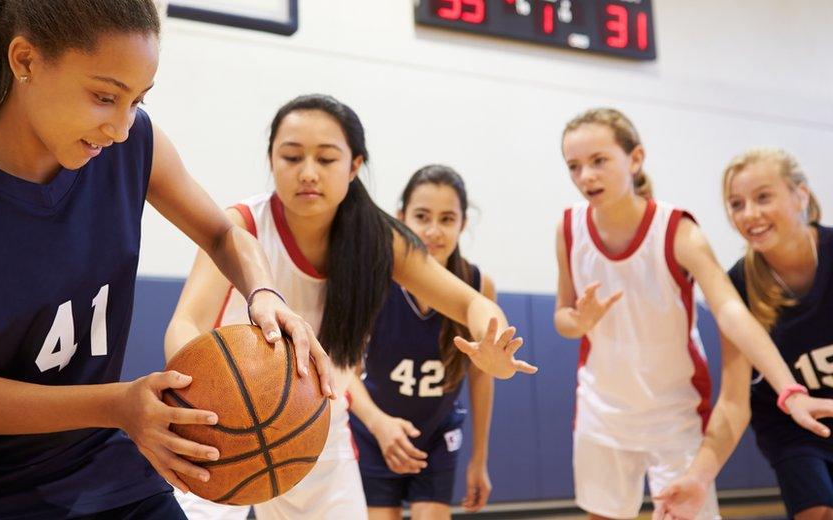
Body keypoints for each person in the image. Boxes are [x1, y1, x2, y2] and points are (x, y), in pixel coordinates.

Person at [0, 0, 331, 518]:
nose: (123, 124)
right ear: (25, 59)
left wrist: (263, 291)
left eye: (139, 99)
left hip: (98, 462)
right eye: (106, 96)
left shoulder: (131, 147)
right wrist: (117, 405)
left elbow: (224, 232)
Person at [164, 94, 535, 519]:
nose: (307, 173)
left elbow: (470, 300)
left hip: (317, 429)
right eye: (291, 156)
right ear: (271, 159)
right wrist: (206, 397)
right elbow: (185, 322)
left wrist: (494, 346)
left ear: (354, 165)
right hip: (224, 425)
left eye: (325, 159)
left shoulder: (377, 239)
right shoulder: (241, 224)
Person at [554, 109, 824, 520]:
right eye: (574, 166)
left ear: (636, 158)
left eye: (599, 160)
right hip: (602, 410)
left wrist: (788, 388)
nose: (586, 175)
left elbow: (731, 312)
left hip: (673, 412)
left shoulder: (677, 230)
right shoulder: (569, 227)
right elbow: (563, 318)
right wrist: (579, 322)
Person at [654, 148, 833, 520]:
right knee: (817, 510)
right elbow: (735, 401)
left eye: (763, 197)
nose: (749, 214)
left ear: (800, 194)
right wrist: (699, 478)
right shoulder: (737, 285)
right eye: (736, 204)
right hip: (791, 428)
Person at [348, 165, 495, 520]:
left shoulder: (477, 284)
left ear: (462, 224)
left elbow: (481, 375)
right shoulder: (374, 279)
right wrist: (377, 422)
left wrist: (480, 459)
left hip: (437, 435)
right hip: (375, 431)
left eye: (447, 219)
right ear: (401, 219)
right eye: (422, 216)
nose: (433, 230)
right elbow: (344, 369)